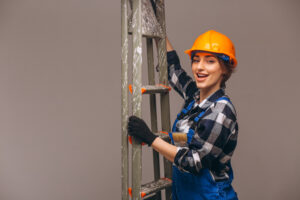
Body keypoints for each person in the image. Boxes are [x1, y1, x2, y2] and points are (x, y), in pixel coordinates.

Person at [127, 30, 239, 200]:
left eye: (210, 61)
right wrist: (157, 28)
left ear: (224, 69)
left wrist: (151, 138)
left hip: (209, 196)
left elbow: (193, 161)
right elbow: (172, 68)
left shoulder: (221, 110)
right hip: (184, 193)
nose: (200, 67)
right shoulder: (194, 97)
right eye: (196, 60)